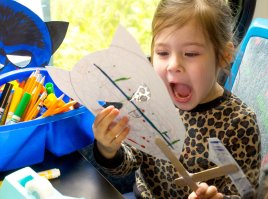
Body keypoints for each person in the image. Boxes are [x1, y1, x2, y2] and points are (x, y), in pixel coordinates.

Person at [92, 0, 261, 198]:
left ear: (224, 56)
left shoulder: (240, 122)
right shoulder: (149, 99)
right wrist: (108, 148)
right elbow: (128, 163)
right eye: (163, 53)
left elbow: (246, 193)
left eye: (190, 53)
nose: (173, 65)